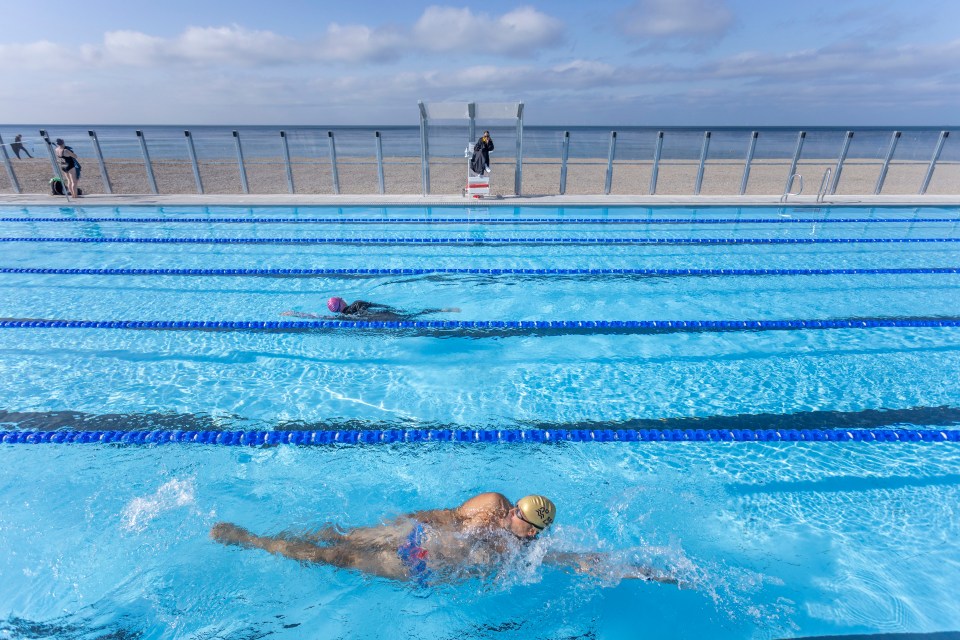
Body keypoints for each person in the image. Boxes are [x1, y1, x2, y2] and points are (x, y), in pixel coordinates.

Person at [211, 492, 681, 586]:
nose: (512, 516)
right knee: (340, 536)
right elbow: (445, 513)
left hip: (420, 565)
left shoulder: (527, 551)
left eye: (522, 519)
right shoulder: (492, 504)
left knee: (332, 557)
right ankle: (276, 537)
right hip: (415, 535)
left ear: (531, 530)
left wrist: (649, 573)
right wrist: (403, 522)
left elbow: (579, 561)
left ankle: (251, 541)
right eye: (515, 508)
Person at [281, 296, 460, 321]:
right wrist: (393, 308)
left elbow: (317, 317)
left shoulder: (341, 318)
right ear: (342, 302)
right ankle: (443, 310)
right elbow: (380, 305)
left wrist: (296, 314)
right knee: (413, 315)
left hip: (373, 320)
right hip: (382, 314)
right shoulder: (357, 303)